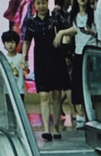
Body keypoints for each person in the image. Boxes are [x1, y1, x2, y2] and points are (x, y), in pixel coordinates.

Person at [23, 0, 70, 141]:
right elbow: (27, 41)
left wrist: (61, 35)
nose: (41, 6)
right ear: (35, 5)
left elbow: (69, 31)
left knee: (56, 94)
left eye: (44, 3)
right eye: (39, 3)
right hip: (41, 61)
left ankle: (55, 126)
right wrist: (24, 58)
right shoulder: (31, 22)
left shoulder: (55, 19)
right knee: (43, 95)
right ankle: (46, 129)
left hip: (56, 60)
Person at [55, 0, 98, 127]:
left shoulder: (94, 14)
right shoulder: (74, 15)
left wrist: (92, 32)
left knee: (93, 85)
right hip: (79, 54)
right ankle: (82, 113)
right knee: (79, 84)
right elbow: (74, 30)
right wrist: (62, 33)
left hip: (92, 54)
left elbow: (100, 32)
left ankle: (93, 115)